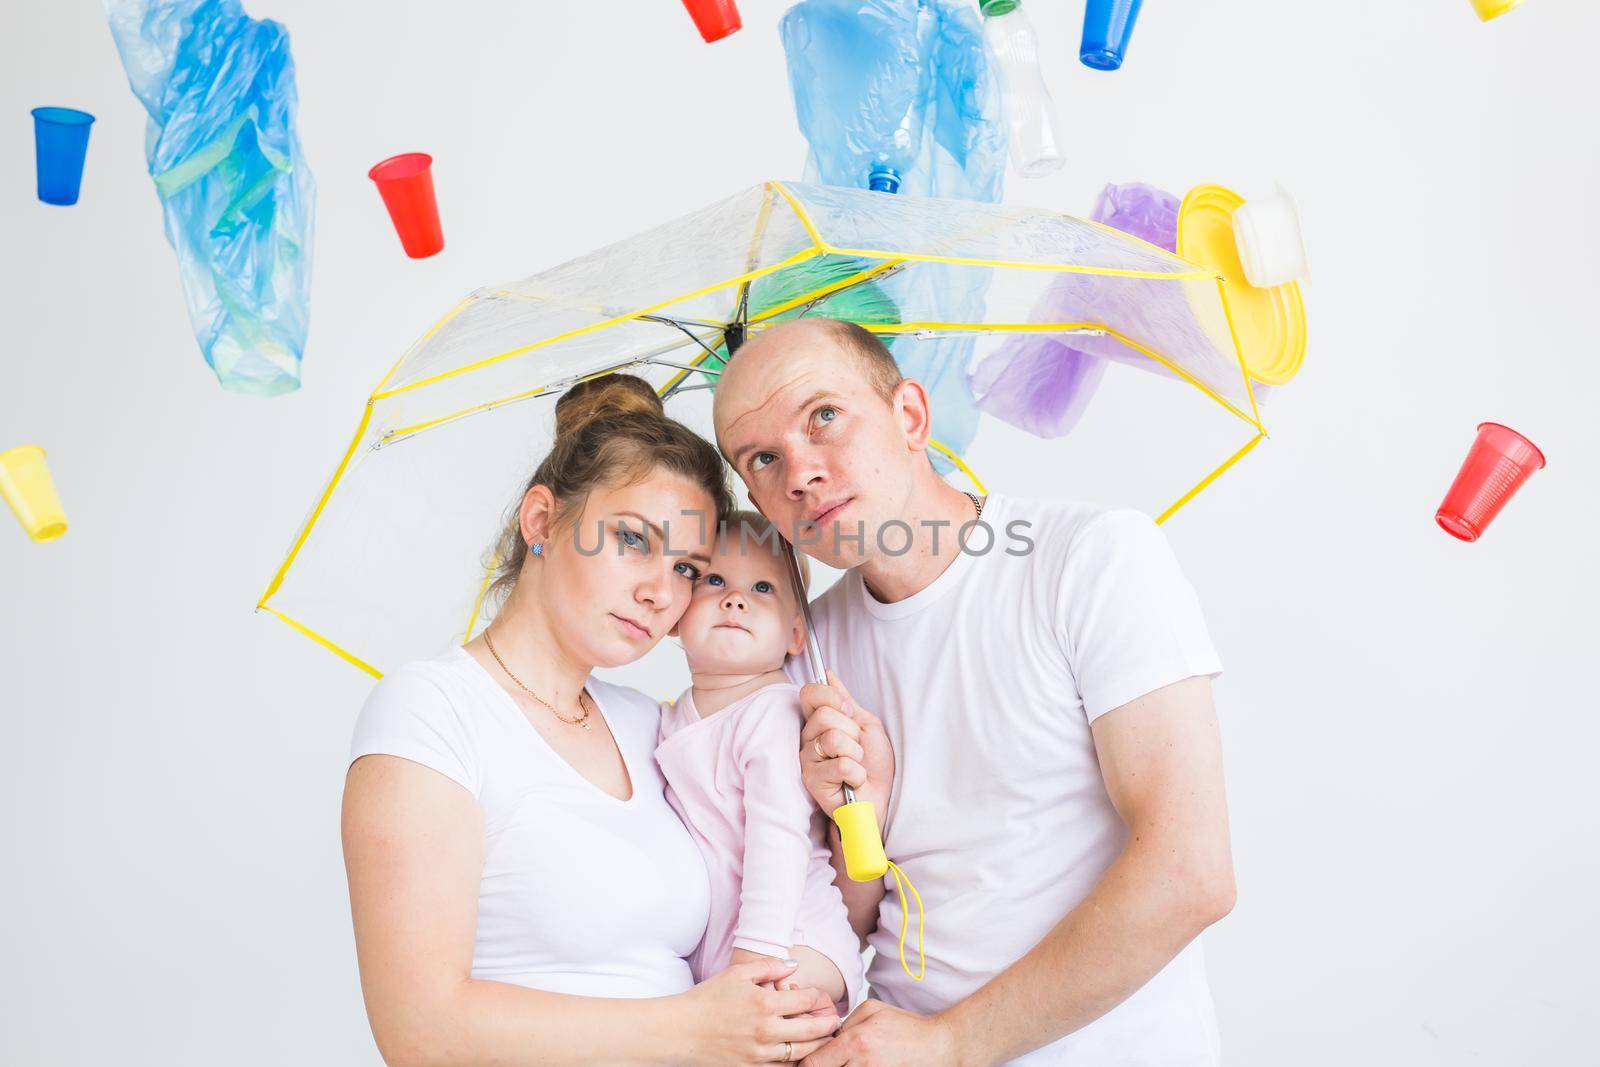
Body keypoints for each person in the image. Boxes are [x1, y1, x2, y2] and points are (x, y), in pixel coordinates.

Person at [712, 319, 1237, 1066]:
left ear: (911, 417)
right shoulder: (805, 649)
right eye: (762, 457)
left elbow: (1191, 873)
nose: (799, 471)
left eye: (823, 416)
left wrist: (953, 1043)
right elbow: (838, 924)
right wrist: (864, 814)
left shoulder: (1091, 559)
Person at [341, 374, 841, 1067]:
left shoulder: (656, 727)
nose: (659, 590)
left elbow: (787, 893)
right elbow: (418, 1028)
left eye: (689, 568)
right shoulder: (435, 711)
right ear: (541, 520)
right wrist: (695, 1028)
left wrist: (846, 799)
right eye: (633, 539)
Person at [655, 511, 867, 1017]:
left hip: (793, 941)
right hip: (727, 952)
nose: (735, 599)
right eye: (713, 581)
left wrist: (756, 960)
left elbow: (779, 838)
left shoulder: (772, 711)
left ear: (797, 636)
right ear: (674, 615)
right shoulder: (671, 717)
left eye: (763, 588)